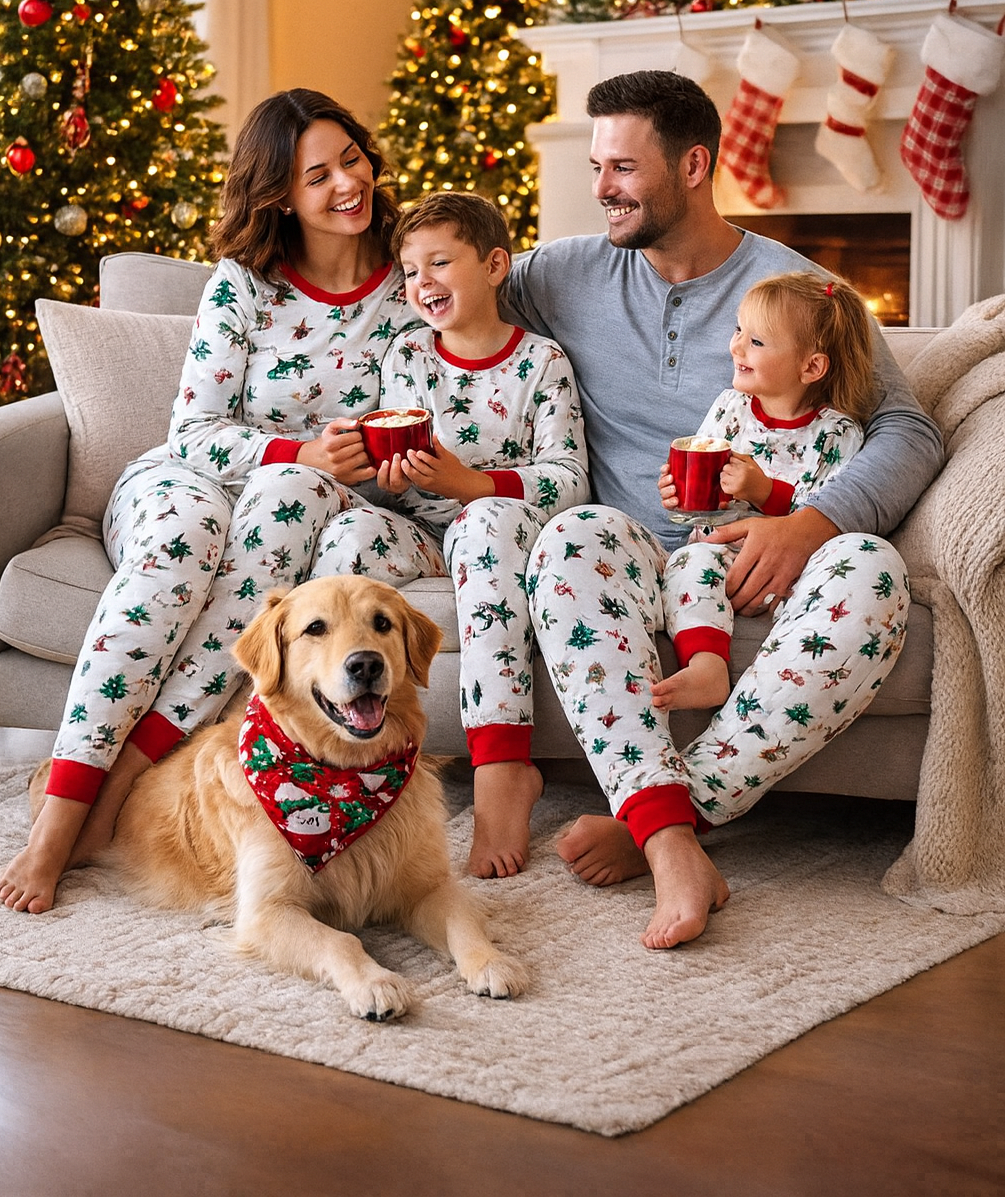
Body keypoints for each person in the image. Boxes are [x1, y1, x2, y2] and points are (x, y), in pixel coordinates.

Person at [499, 70, 942, 951]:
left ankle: (662, 818)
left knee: (875, 570)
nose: (601, 189)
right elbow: (442, 289)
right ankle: (672, 846)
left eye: (623, 167)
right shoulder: (561, 273)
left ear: (694, 164)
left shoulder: (799, 292)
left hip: (762, 560)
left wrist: (809, 523)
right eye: (596, 165)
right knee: (568, 538)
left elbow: (910, 430)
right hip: (632, 547)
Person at [0, 88, 422, 915]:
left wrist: (371, 467)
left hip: (309, 504)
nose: (347, 184)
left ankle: (119, 777)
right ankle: (60, 818)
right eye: (316, 175)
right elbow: (193, 430)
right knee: (192, 540)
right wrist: (296, 449)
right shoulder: (245, 283)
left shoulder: (413, 284)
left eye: (353, 160)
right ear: (280, 197)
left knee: (292, 494)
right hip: (190, 483)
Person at [312, 192, 589, 877]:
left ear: (495, 265)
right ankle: (333, 740)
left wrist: (472, 486)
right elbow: (383, 483)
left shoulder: (541, 363)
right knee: (346, 532)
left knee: (483, 522)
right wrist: (385, 474)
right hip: (422, 534)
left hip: (502, 529)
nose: (422, 282)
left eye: (440, 261)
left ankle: (503, 770)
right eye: (410, 270)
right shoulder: (406, 355)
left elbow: (570, 476)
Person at [657, 269, 876, 713]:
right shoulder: (730, 408)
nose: (736, 346)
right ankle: (706, 666)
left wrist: (763, 490)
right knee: (687, 561)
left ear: (811, 366)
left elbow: (819, 520)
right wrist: (681, 496)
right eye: (739, 330)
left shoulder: (835, 434)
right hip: (716, 552)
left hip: (787, 574)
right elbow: (706, 501)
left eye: (756, 342)